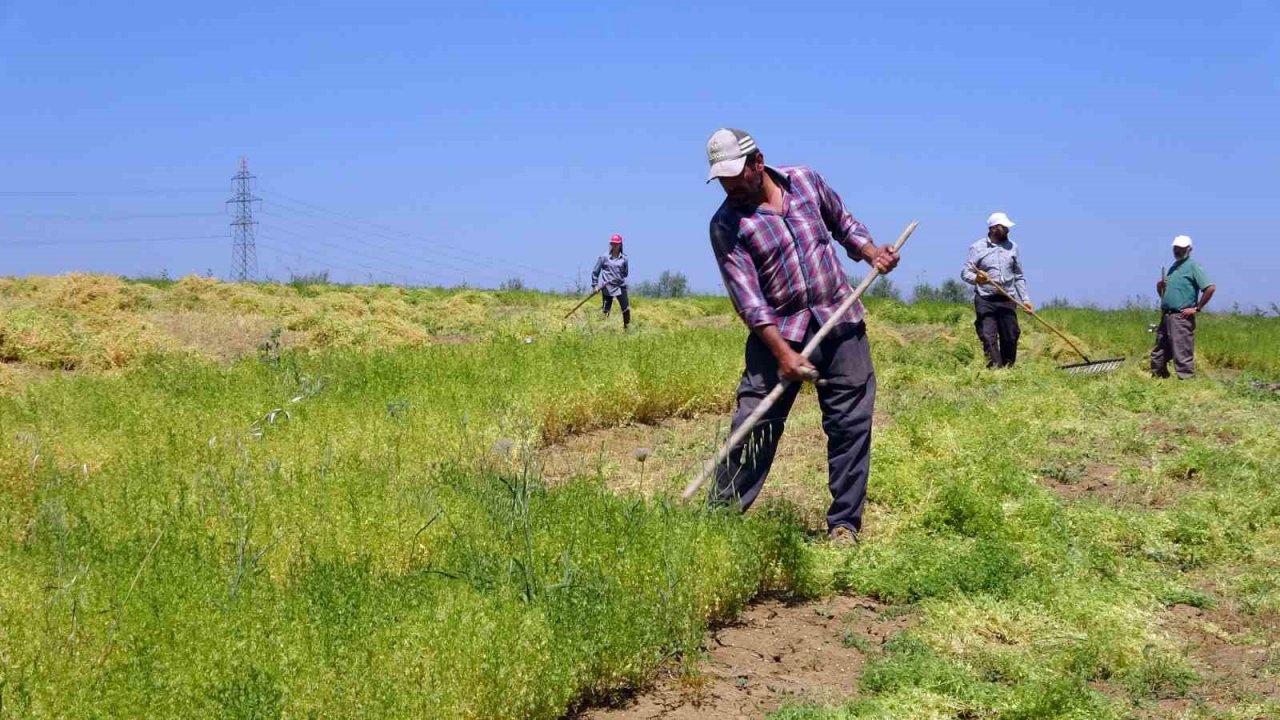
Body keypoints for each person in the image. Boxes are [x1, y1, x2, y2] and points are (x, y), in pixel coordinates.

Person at [705, 127, 900, 544]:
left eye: (735, 177)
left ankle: (844, 525)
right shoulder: (725, 224)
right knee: (754, 424)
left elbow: (844, 224)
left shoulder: (806, 181)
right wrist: (781, 354)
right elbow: (748, 299)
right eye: (721, 180)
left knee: (850, 424)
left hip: (840, 318)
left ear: (758, 162)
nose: (730, 188)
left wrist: (872, 253)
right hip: (777, 334)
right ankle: (716, 522)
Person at [961, 212, 1033, 368]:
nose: (1008, 230)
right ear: (993, 228)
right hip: (985, 299)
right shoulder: (977, 247)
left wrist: (1025, 300)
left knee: (1011, 335)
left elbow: (1019, 276)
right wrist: (977, 279)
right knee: (988, 336)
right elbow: (965, 273)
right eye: (1004, 227)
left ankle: (1008, 368)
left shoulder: (1013, 247)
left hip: (1007, 299)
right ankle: (995, 370)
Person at [1152, 235, 1214, 379]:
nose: (1178, 250)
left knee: (1182, 350)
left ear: (1189, 249)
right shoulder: (1173, 267)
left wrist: (1197, 308)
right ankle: (1158, 378)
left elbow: (1210, 288)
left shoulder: (1193, 266)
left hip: (1181, 316)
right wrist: (1159, 287)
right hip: (1167, 314)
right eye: (1176, 248)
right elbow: (1165, 294)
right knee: (1159, 350)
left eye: (1181, 248)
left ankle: (1186, 381)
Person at [591, 234, 630, 329]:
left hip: (620, 286)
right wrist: (595, 285)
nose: (614, 246)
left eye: (616, 244)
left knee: (626, 309)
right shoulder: (604, 257)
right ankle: (603, 328)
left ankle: (627, 328)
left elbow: (625, 273)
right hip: (607, 287)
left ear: (620, 245)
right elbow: (595, 271)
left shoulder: (624, 259)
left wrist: (617, 277)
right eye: (612, 244)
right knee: (606, 310)